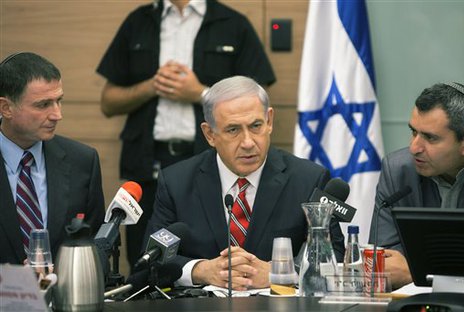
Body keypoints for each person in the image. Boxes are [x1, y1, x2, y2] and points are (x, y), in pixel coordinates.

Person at [96, 0, 276, 268]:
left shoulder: (231, 23)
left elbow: (256, 99)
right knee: (145, 260)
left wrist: (200, 94)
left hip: (209, 164)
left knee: (211, 253)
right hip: (147, 166)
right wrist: (152, 86)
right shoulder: (139, 21)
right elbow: (108, 101)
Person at [144, 76, 345, 290]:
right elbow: (151, 261)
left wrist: (281, 271)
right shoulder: (177, 181)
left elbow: (336, 258)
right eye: (233, 130)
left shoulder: (309, 179)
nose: (248, 143)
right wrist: (202, 271)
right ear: (210, 134)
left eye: (256, 125)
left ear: (269, 121)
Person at [0, 52, 105, 265]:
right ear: (6, 108)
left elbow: (97, 246)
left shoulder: (83, 161)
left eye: (59, 101)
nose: (57, 114)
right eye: (43, 105)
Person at [369, 82, 464, 289]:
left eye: (430, 138)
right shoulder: (398, 170)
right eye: (414, 132)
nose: (414, 148)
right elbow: (387, 264)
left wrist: (416, 273)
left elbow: (405, 270)